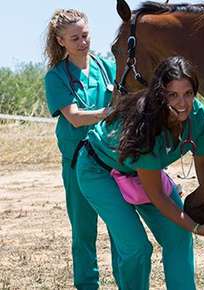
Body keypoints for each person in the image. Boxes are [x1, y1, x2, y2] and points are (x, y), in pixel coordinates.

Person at [74, 56, 204, 290]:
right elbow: (158, 197)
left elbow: (203, 166)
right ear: (160, 94)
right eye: (172, 94)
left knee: (179, 236)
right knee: (136, 247)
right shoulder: (146, 125)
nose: (182, 103)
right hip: (98, 170)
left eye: (188, 93)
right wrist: (194, 226)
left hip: (141, 172)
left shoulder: (199, 117)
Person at [43, 9, 117, 289]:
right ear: (61, 41)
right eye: (75, 38)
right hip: (77, 163)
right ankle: (87, 285)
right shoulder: (56, 77)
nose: (83, 42)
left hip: (111, 161)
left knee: (119, 229)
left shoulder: (106, 67)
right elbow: (73, 117)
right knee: (84, 232)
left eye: (85, 35)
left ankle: (127, 282)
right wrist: (108, 112)